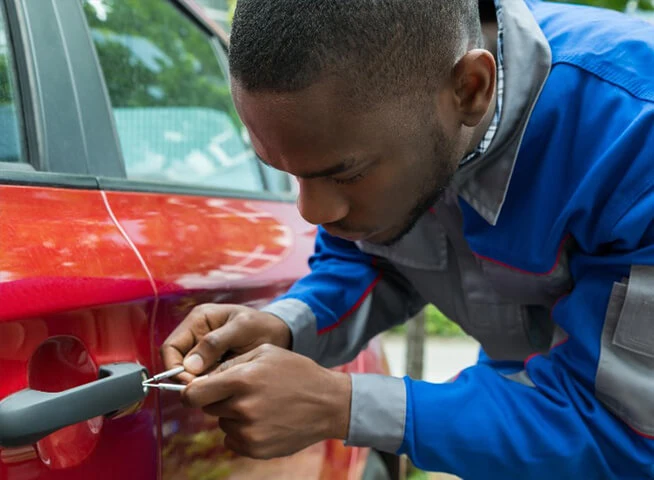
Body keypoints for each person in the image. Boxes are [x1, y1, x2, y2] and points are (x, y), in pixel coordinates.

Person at [161, 0, 654, 477]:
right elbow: (370, 259)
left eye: (344, 174)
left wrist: (343, 404)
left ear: (470, 90)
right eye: (288, 173)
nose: (312, 212)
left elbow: (622, 430)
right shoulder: (400, 114)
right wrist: (283, 326)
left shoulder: (633, 134)